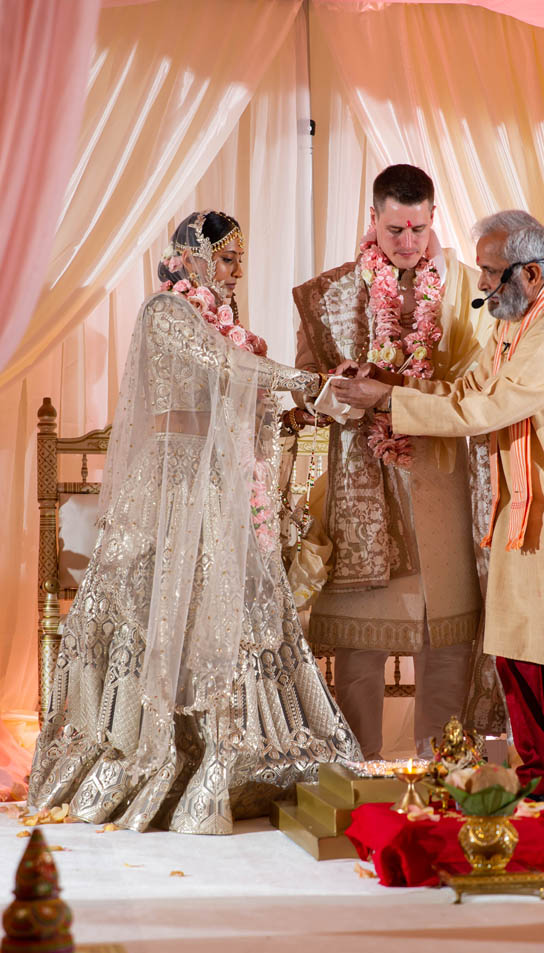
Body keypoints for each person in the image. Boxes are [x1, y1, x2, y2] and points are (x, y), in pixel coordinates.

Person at [28, 211, 361, 835]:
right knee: (152, 608)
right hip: (171, 486)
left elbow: (240, 386)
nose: (236, 272)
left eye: (240, 260)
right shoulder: (166, 312)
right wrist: (301, 380)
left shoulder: (222, 321)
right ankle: (157, 753)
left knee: (228, 611)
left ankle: (226, 751)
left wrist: (290, 400)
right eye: (227, 258)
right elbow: (223, 365)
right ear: (194, 257)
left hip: (217, 485)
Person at [333, 209, 544, 827]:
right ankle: (541, 781)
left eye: (490, 272)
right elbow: (462, 389)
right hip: (525, 519)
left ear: (530, 274)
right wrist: (387, 380)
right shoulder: (514, 327)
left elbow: (487, 409)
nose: (480, 285)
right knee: (524, 657)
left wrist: (390, 402)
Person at [293, 164, 494, 759]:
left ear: (433, 218)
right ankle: (363, 773)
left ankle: (445, 767)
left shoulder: (467, 288)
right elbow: (306, 392)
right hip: (361, 480)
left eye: (419, 228)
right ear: (372, 220)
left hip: (441, 474)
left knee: (449, 630)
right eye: (394, 230)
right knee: (360, 639)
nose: (408, 244)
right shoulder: (326, 296)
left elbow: (481, 389)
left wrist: (397, 396)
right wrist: (334, 390)